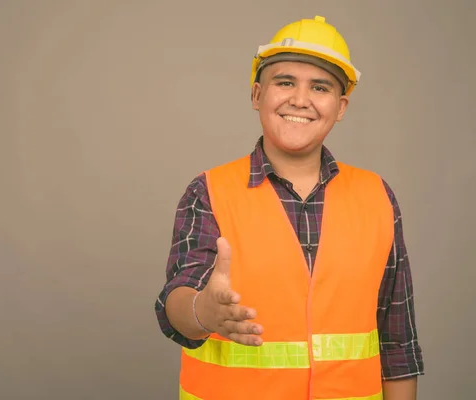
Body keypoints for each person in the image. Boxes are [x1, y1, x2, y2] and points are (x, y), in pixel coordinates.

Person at [154, 15, 425, 400]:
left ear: (341, 106)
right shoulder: (209, 191)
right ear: (256, 95)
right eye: (284, 82)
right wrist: (204, 313)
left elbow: (398, 341)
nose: (300, 99)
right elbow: (175, 303)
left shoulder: (377, 196)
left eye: (320, 87)